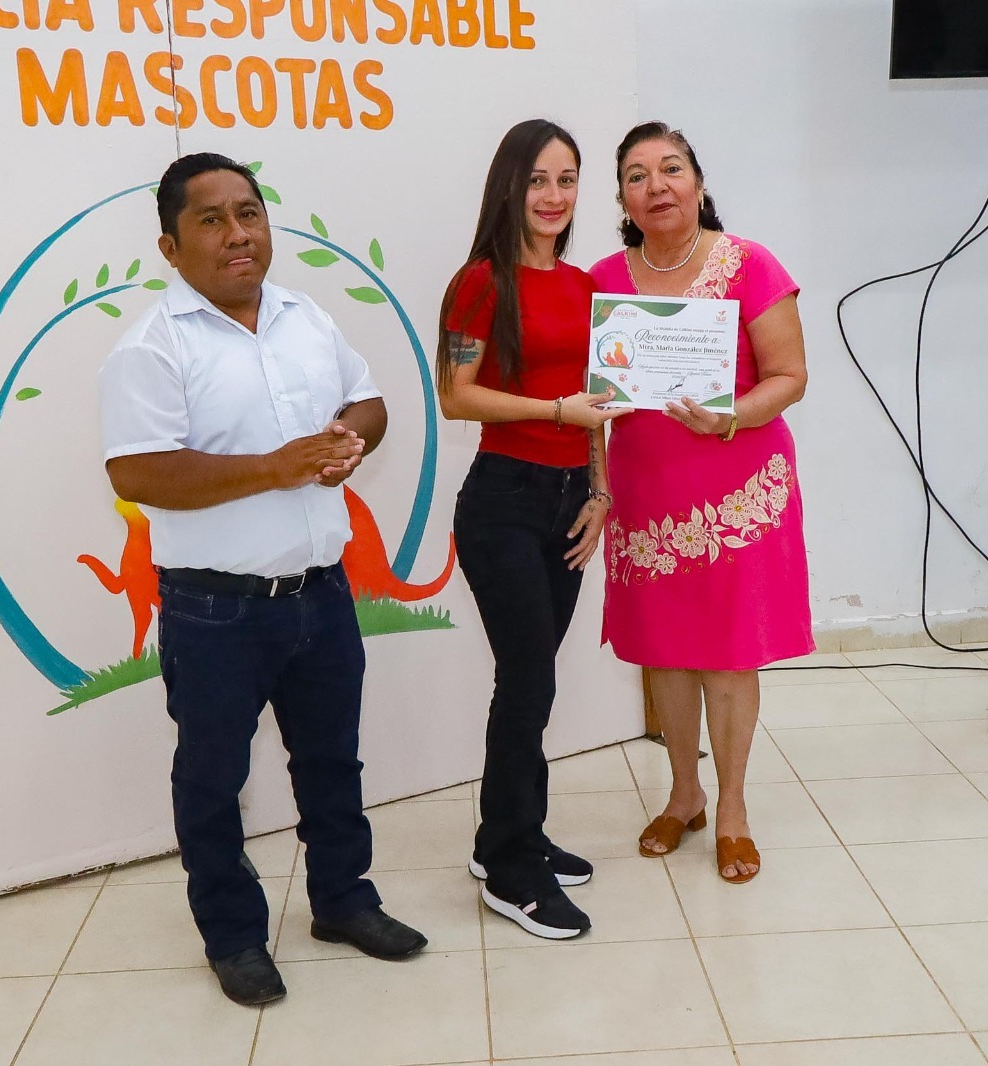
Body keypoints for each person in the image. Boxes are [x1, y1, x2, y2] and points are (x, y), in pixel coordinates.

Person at [98, 152, 427, 1006]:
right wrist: (275, 467)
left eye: (249, 213)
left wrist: (349, 439)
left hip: (322, 595)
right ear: (170, 247)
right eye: (211, 220)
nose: (238, 234)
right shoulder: (151, 347)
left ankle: (344, 903)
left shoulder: (304, 316)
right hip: (215, 611)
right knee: (212, 783)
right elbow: (137, 471)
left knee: (332, 764)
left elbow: (369, 403)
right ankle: (234, 936)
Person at [591, 122, 812, 884]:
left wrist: (731, 417)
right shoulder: (602, 280)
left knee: (728, 655)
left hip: (737, 495)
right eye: (637, 175)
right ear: (622, 197)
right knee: (665, 653)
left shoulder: (750, 264)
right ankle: (683, 794)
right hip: (646, 498)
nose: (656, 186)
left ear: (698, 183)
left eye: (671, 169)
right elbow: (591, 405)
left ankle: (733, 810)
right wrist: (598, 484)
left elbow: (790, 376)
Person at [437, 119, 623, 939]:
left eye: (568, 180)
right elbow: (455, 393)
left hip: (569, 501)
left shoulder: (584, 286)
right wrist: (554, 411)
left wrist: (601, 491)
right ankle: (511, 870)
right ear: (509, 187)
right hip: (503, 501)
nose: (554, 196)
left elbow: (599, 404)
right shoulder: (482, 281)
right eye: (539, 179)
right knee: (528, 681)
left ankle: (508, 837)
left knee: (533, 678)